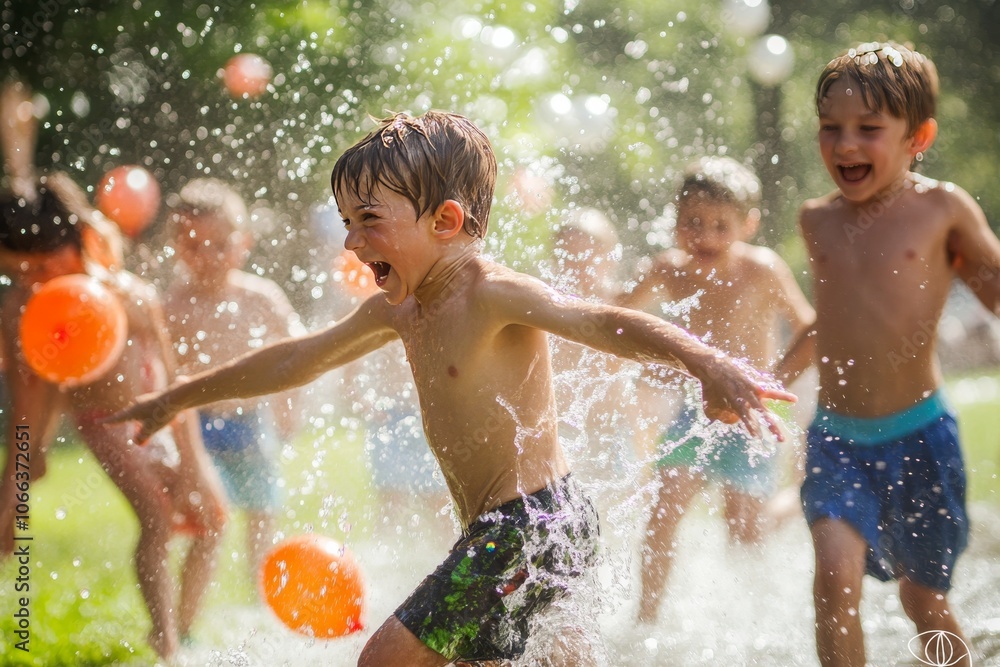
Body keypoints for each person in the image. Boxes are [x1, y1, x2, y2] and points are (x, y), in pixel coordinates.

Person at [110, 110, 795, 667]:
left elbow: (605, 323)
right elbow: (297, 360)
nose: (352, 242)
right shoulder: (396, 308)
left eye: (369, 220)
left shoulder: (493, 292)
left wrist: (705, 361)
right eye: (347, 221)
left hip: (528, 524)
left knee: (385, 659)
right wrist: (178, 395)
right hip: (515, 528)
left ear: (444, 221)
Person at [774, 42, 1000, 667]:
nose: (845, 145)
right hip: (836, 440)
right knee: (832, 583)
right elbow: (833, 319)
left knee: (922, 597)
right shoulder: (817, 221)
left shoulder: (941, 208)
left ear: (917, 136)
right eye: (830, 128)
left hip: (920, 437)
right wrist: (768, 378)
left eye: (868, 130)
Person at [0, 171, 227, 660]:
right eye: (19, 272)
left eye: (42, 264)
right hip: (104, 420)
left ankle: (184, 631)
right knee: (157, 518)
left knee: (211, 517)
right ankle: (167, 645)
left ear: (81, 238)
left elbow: (172, 386)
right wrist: (18, 479)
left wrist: (195, 464)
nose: (34, 280)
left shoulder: (133, 295)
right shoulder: (27, 309)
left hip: (160, 417)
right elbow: (29, 404)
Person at [619, 156, 815, 624]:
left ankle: (751, 620)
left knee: (744, 530)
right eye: (692, 223)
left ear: (748, 224)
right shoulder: (668, 269)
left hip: (753, 414)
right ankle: (646, 618)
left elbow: (809, 327)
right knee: (663, 512)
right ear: (675, 221)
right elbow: (619, 316)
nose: (704, 236)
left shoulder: (763, 270)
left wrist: (773, 382)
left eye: (720, 225)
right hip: (695, 412)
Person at [164, 177, 303, 581]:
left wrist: (288, 408)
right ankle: (185, 628)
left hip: (253, 424)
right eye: (193, 246)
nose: (208, 257)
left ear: (243, 243)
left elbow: (298, 355)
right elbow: (163, 378)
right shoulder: (172, 306)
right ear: (176, 247)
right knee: (209, 524)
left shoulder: (261, 298)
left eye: (220, 245)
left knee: (263, 515)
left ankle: (260, 605)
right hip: (199, 430)